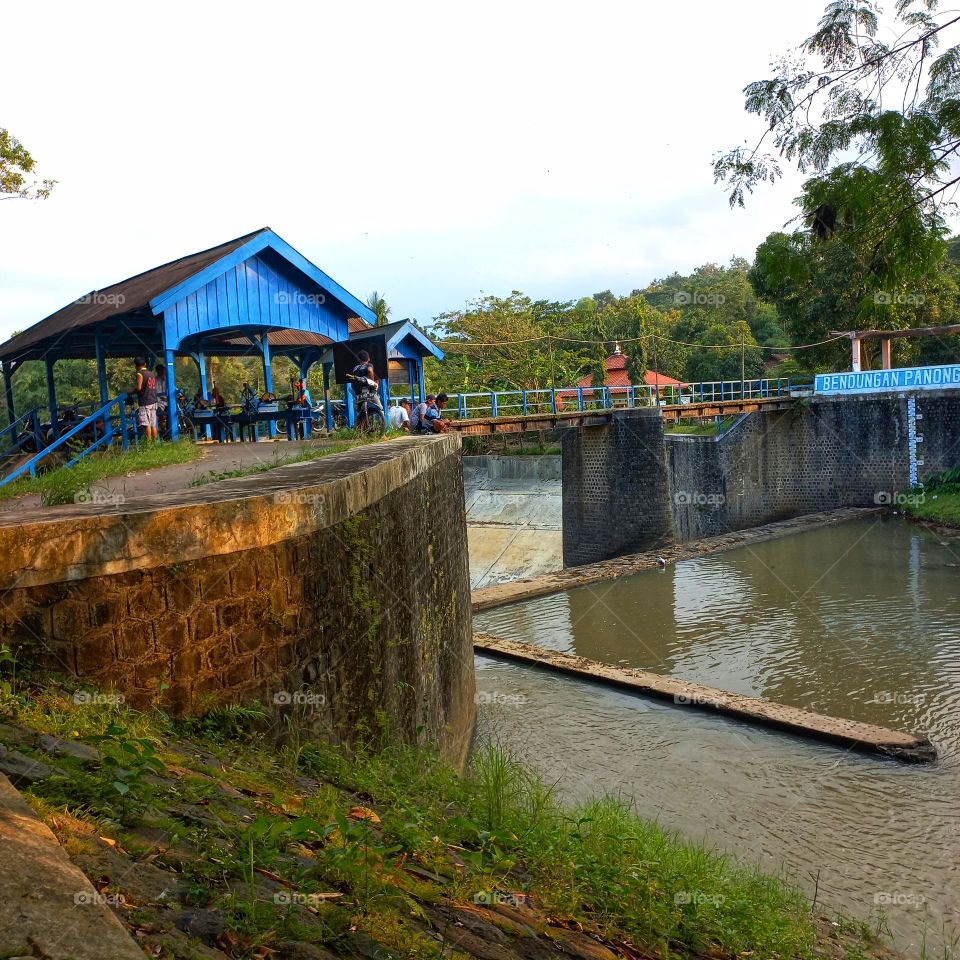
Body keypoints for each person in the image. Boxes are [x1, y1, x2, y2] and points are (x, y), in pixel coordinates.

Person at [128, 356, 159, 441]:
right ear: (145, 364)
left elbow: (138, 388)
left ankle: (148, 444)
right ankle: (155, 443)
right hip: (154, 401)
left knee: (146, 425)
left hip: (145, 402)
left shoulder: (140, 374)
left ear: (136, 366)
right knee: (153, 424)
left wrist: (131, 393)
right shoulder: (151, 373)